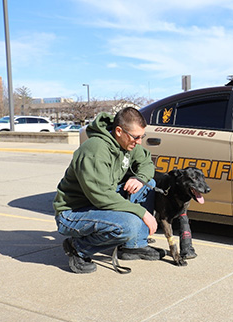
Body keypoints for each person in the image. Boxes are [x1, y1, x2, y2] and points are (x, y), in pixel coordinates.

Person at [53, 107, 163, 274]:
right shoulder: (95, 150)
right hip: (73, 213)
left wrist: (139, 178)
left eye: (142, 136)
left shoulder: (127, 144)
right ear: (119, 131)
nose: (139, 141)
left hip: (97, 203)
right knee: (129, 224)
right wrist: (142, 213)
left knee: (148, 184)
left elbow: (147, 163)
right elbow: (101, 196)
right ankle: (78, 248)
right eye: (136, 137)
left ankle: (133, 246)